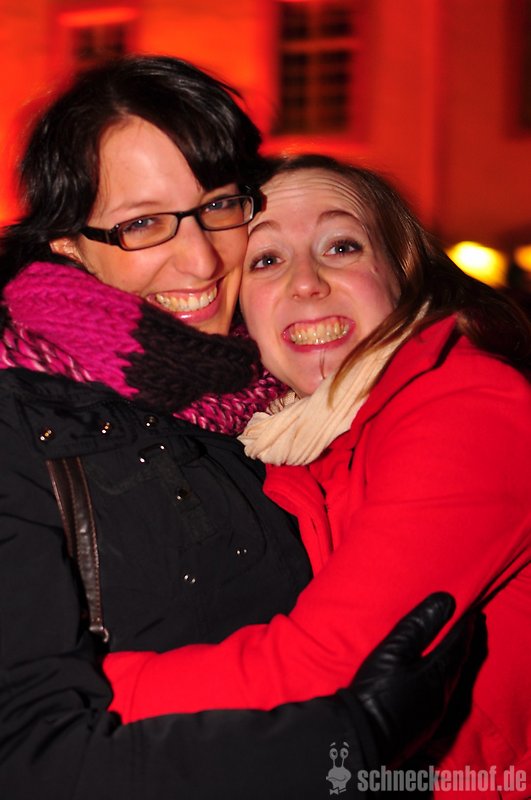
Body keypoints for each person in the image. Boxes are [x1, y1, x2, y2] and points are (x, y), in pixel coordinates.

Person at [0, 58, 474, 799]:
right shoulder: (20, 427)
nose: (201, 260)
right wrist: (343, 741)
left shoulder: (284, 405)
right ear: (68, 243)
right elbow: (30, 758)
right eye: (142, 224)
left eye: (218, 206)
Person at [102, 155, 531, 799]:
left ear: (401, 270)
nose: (306, 282)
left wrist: (63, 693)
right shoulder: (277, 443)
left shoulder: (467, 404)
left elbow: (329, 663)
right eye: (266, 259)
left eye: (341, 246)